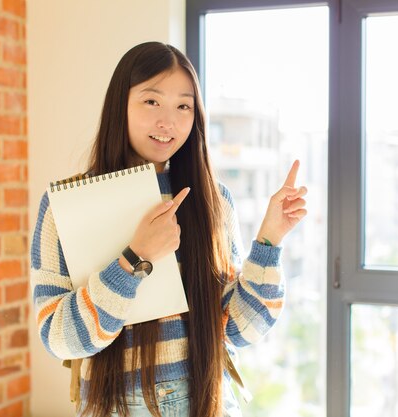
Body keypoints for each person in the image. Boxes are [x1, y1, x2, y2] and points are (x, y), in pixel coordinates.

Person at [30, 41, 307, 417]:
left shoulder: (213, 199)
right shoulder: (69, 201)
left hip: (207, 401)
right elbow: (58, 336)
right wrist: (134, 259)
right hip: (116, 406)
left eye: (183, 106)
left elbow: (241, 329)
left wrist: (270, 240)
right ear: (120, 105)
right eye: (151, 101)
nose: (169, 122)